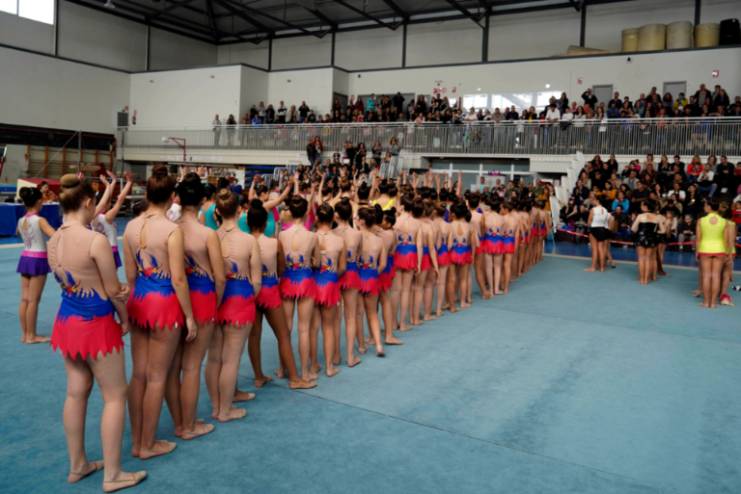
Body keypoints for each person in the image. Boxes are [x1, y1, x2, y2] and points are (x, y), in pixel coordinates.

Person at [48, 174, 146, 492]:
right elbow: (113, 290)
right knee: (115, 395)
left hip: (67, 321)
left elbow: (71, 282)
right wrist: (125, 318)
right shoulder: (94, 240)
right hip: (96, 324)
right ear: (89, 203)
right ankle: (113, 474)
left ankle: (77, 464)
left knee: (76, 392)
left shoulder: (53, 240)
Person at [124, 165, 196, 460]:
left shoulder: (130, 227)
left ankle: (136, 441)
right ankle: (147, 444)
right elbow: (178, 279)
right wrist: (189, 315)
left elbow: (130, 277)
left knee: (138, 375)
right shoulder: (171, 230)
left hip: (138, 300)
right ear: (171, 197)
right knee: (156, 377)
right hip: (163, 303)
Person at [167, 173, 225, 439]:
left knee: (174, 366)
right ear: (202, 201)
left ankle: (181, 420)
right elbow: (220, 277)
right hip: (201, 298)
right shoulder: (207, 234)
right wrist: (216, 302)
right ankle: (188, 425)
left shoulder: (170, 228)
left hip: (175, 297)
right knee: (191, 366)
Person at [246, 199, 315, 389]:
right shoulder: (274, 243)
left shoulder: (245, 242)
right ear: (265, 223)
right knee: (283, 334)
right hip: (269, 289)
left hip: (250, 291)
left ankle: (258, 376)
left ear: (248, 222)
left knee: (254, 336)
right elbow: (282, 269)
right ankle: (294, 378)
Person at [206, 189, 261, 422]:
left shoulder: (210, 236)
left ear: (217, 211)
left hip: (214, 299)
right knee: (231, 359)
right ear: (240, 210)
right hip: (239, 299)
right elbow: (256, 281)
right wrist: (248, 296)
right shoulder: (249, 240)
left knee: (214, 358)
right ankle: (225, 410)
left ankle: (216, 405)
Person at [279, 195, 319, 380]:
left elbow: (280, 260)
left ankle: (283, 369)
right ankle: (304, 371)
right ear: (305, 214)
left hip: (288, 279)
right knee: (304, 328)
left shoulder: (282, 235)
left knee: (285, 327)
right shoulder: (312, 236)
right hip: (305, 280)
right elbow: (317, 262)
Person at [17, 187, 55, 344]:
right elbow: (54, 235)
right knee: (33, 300)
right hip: (38, 259)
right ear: (39, 201)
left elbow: (19, 233)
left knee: (25, 299)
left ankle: (25, 334)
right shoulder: (40, 220)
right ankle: (31, 336)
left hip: (25, 257)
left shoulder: (21, 220)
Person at [310, 203, 345, 377]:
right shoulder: (339, 240)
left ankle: (313, 365)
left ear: (317, 218)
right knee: (328, 327)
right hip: (330, 283)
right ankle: (329, 367)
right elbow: (342, 267)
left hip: (313, 282)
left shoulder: (311, 237)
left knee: (313, 327)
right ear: (332, 219)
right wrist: (331, 276)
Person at [335, 197, 363, 367]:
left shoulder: (332, 233)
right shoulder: (357, 234)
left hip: (336, 273)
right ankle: (350, 356)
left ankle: (336, 355)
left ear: (337, 215)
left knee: (336, 317)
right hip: (351, 272)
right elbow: (359, 255)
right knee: (350, 316)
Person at [357, 206, 387, 357]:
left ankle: (362, 345)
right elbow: (383, 264)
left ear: (361, 221)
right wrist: (373, 273)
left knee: (358, 313)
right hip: (372, 276)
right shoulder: (379, 241)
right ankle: (379, 345)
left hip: (358, 276)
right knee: (373, 313)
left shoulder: (355, 237)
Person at [94, 172, 133, 269]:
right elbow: (120, 200)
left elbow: (106, 198)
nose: (111, 204)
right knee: (111, 275)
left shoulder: (91, 216)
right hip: (110, 249)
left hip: (96, 248)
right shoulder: (108, 217)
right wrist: (129, 182)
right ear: (106, 204)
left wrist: (113, 181)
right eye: (110, 202)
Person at [696, 199, 731, 308]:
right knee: (716, 276)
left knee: (706, 276)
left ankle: (706, 302)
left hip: (705, 249)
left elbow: (698, 239)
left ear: (709, 207)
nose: (704, 207)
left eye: (705, 205)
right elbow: (726, 240)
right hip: (719, 250)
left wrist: (697, 252)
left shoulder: (701, 221)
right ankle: (713, 303)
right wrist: (727, 254)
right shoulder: (724, 221)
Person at [448, 202, 475, 311]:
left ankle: (452, 304)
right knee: (463, 279)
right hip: (464, 252)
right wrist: (472, 255)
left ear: (454, 214)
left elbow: (449, 244)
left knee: (452, 279)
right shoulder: (470, 226)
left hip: (453, 252)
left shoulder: (450, 225)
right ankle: (463, 302)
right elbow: (472, 243)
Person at [631, 200, 659, 285]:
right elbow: (656, 230)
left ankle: (642, 279)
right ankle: (646, 280)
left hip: (641, 238)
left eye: (642, 205)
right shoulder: (656, 217)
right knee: (648, 259)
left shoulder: (640, 216)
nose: (640, 207)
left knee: (641, 258)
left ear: (646, 207)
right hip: (651, 239)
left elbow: (633, 229)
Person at [586, 195, 611, 273]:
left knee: (594, 249)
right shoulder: (605, 210)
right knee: (601, 249)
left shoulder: (593, 209)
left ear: (597, 201)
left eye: (594, 200)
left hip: (594, 229)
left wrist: (588, 226)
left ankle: (593, 267)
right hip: (602, 229)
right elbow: (607, 221)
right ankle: (602, 268)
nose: (592, 201)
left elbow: (589, 222)